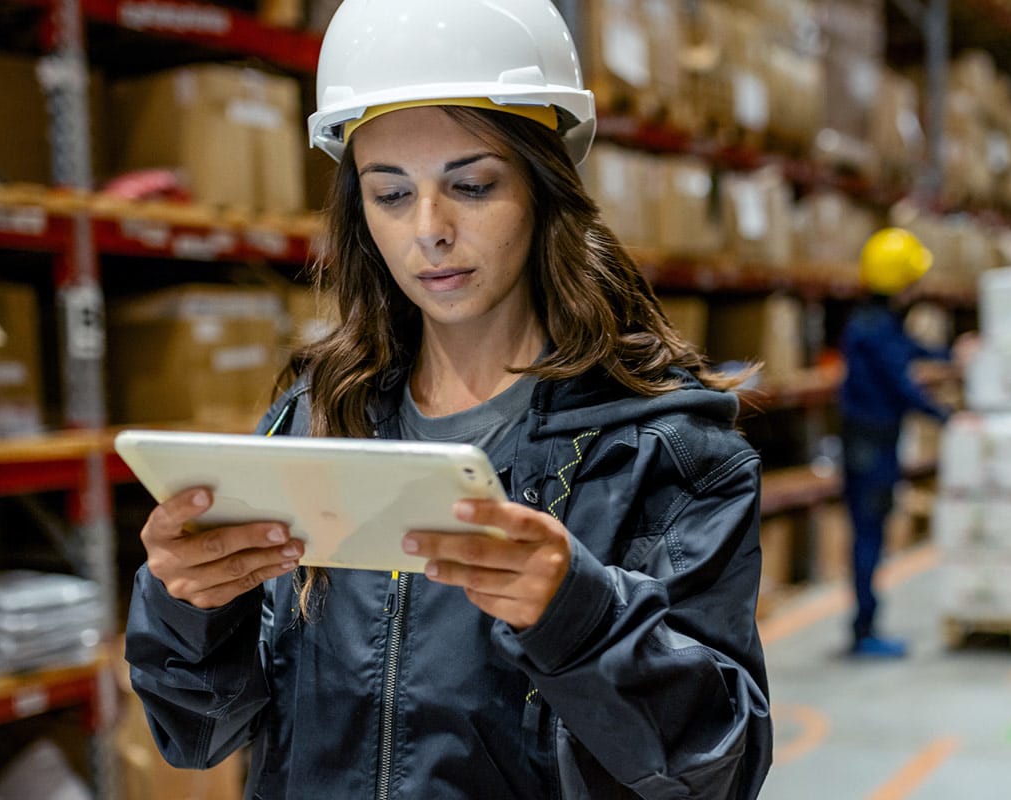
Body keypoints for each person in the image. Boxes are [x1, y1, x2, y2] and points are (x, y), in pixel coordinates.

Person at [122, 1, 772, 796]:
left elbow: (720, 769)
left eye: (470, 185)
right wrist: (186, 602)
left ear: (543, 186)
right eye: (390, 194)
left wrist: (581, 617)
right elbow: (198, 733)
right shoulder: (319, 422)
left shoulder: (667, 453)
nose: (428, 229)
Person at [838, 228, 953, 658]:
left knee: (870, 533)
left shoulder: (874, 322)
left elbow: (909, 351)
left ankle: (865, 624)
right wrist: (947, 417)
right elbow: (901, 385)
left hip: (867, 440)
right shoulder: (875, 328)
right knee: (869, 534)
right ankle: (864, 630)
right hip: (872, 445)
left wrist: (951, 355)